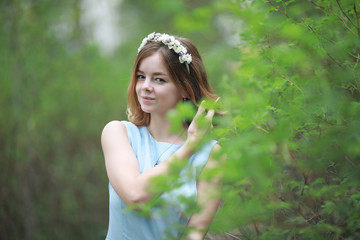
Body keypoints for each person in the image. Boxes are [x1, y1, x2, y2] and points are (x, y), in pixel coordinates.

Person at [101, 32, 223, 240]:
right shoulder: (118, 133)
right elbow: (135, 196)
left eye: (159, 79)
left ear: (184, 88)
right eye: (141, 76)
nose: (145, 87)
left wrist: (194, 146)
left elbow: (194, 234)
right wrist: (189, 146)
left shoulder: (212, 154)